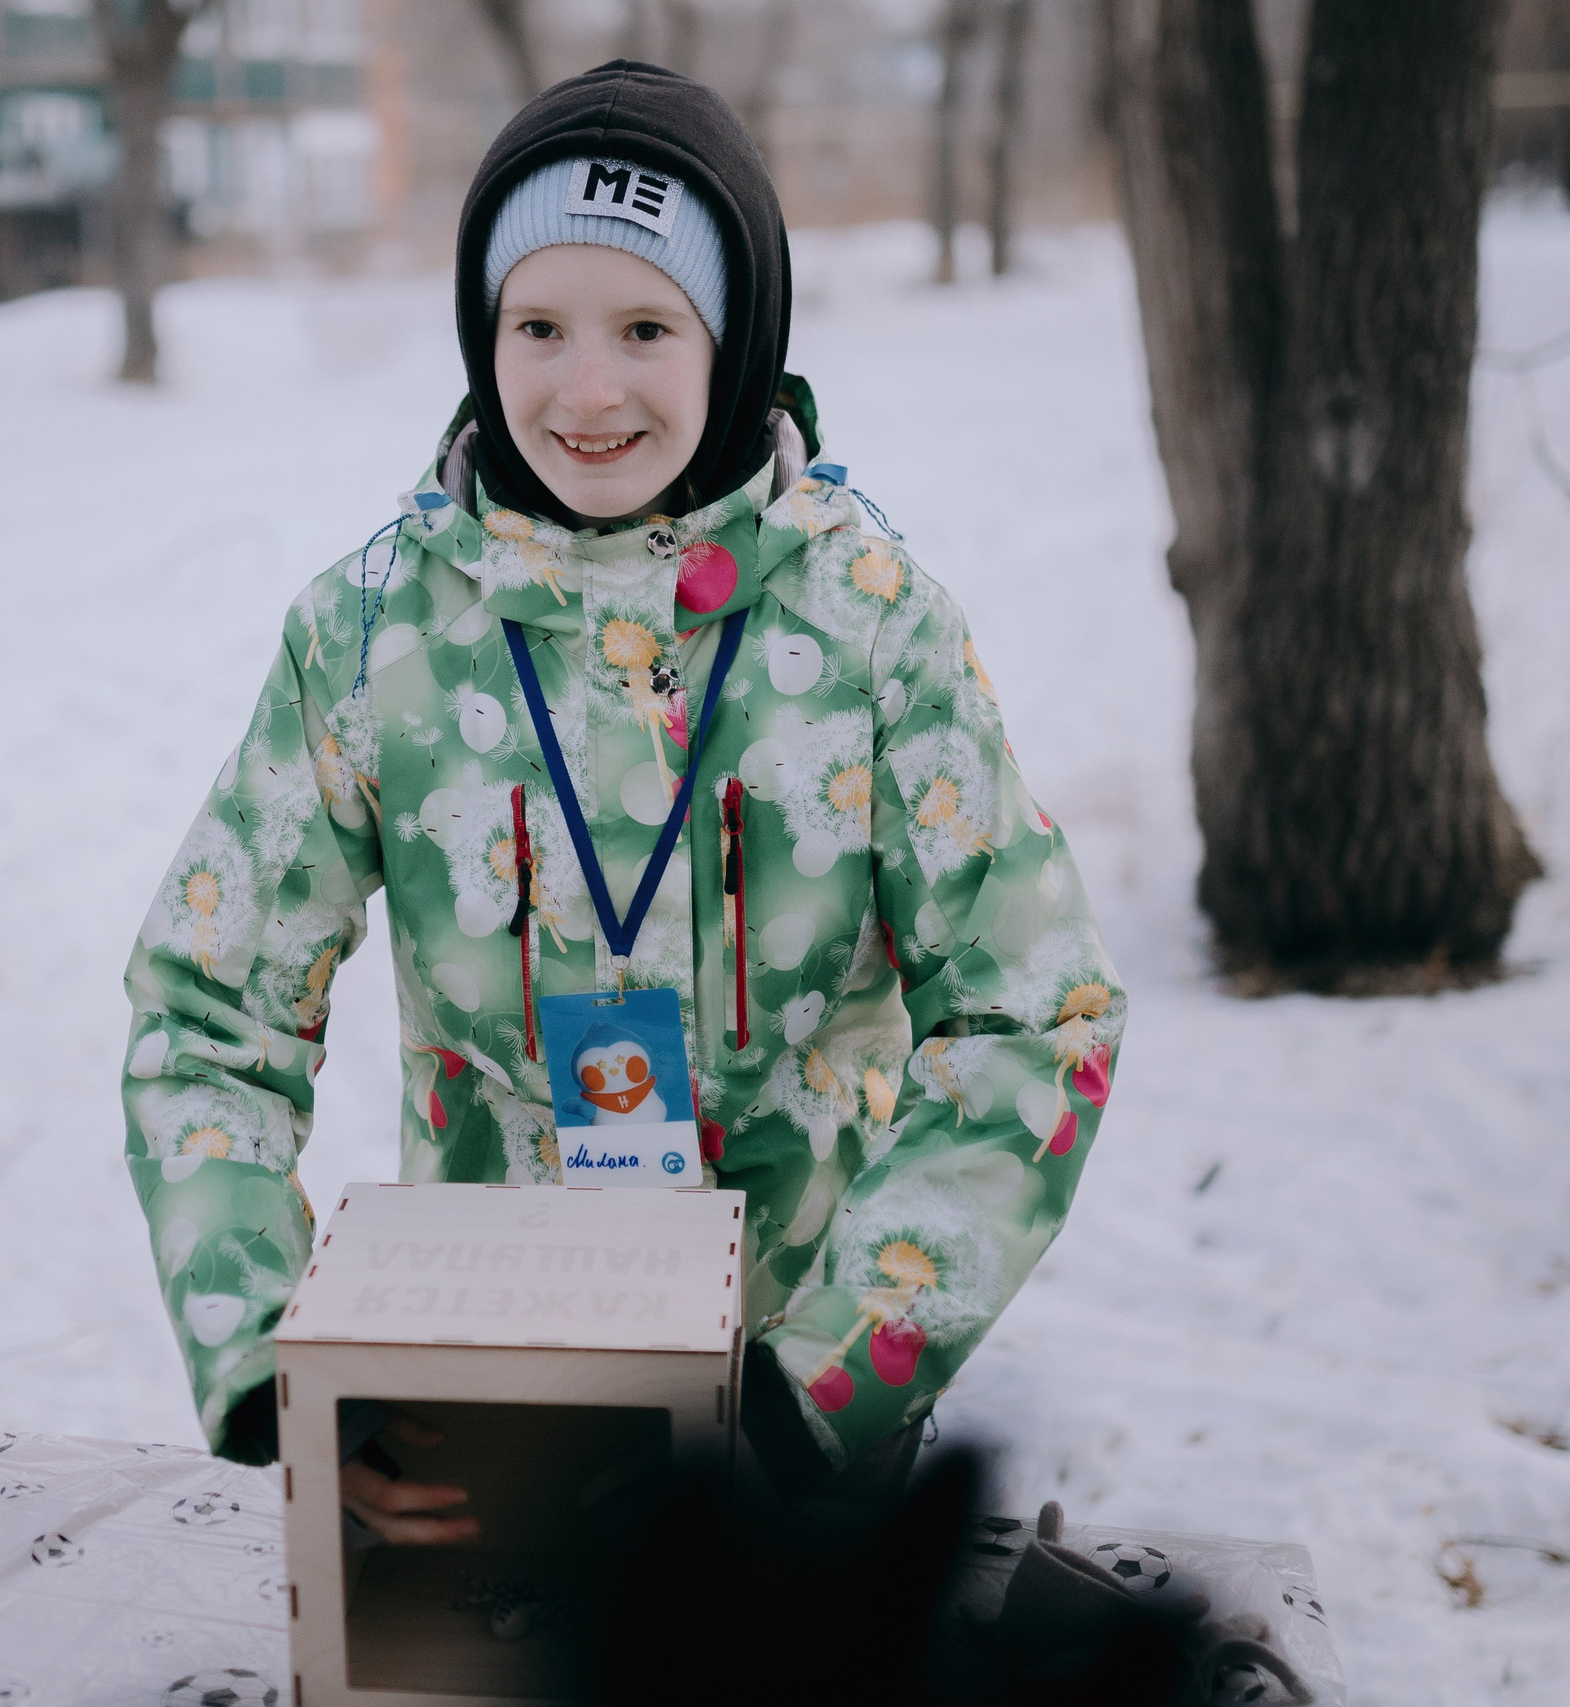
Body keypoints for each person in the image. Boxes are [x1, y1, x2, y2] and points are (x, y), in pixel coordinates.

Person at [118, 61, 1124, 1535]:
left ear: (737, 336)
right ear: (482, 335)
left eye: (647, 327)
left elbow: (1038, 1021)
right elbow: (207, 1015)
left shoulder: (868, 632)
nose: (586, 390)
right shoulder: (370, 639)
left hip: (787, 1447)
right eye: (538, 327)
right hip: (474, 1425)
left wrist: (818, 1390)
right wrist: (289, 1369)